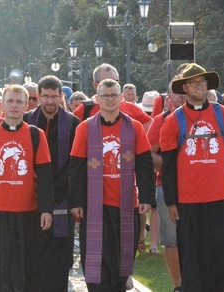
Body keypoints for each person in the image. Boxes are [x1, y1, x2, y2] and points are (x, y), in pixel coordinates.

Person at [160, 64, 224, 291]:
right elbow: (168, 166)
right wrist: (171, 200)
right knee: (193, 259)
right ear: (185, 88)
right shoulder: (173, 120)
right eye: (193, 83)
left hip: (223, 198)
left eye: (202, 82)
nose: (199, 86)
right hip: (189, 202)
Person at [69, 78, 155, 291]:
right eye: (105, 95)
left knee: (123, 258)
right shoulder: (85, 128)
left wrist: (146, 197)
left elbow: (144, 164)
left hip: (126, 204)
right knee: (96, 258)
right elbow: (76, 167)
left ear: (121, 98)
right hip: (96, 206)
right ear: (97, 98)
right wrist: (76, 200)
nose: (110, 99)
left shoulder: (134, 127)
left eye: (114, 95)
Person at [0, 84, 53, 290]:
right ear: (2, 104)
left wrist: (46, 209)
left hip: (27, 213)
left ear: (26, 105)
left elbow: (45, 176)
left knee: (26, 266)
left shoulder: (36, 135)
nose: (14, 106)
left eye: (19, 102)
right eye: (10, 101)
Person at [24, 75, 81, 291]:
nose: (49, 101)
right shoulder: (27, 120)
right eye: (45, 96)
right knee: (33, 251)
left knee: (59, 252)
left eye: (54, 96)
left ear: (61, 96)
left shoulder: (73, 123)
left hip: (61, 196)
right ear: (38, 96)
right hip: (31, 195)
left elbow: (77, 163)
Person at [146, 76, 183, 291]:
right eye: (177, 92)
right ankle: (178, 285)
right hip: (167, 187)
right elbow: (148, 154)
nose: (183, 95)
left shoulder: (206, 115)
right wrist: (172, 170)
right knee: (172, 240)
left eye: (184, 90)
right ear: (169, 98)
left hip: (200, 189)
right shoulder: (161, 120)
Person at [73, 64, 153, 130]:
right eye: (106, 83)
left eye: (114, 82)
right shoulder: (83, 110)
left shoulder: (131, 109)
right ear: (95, 85)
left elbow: (152, 133)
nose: (111, 86)